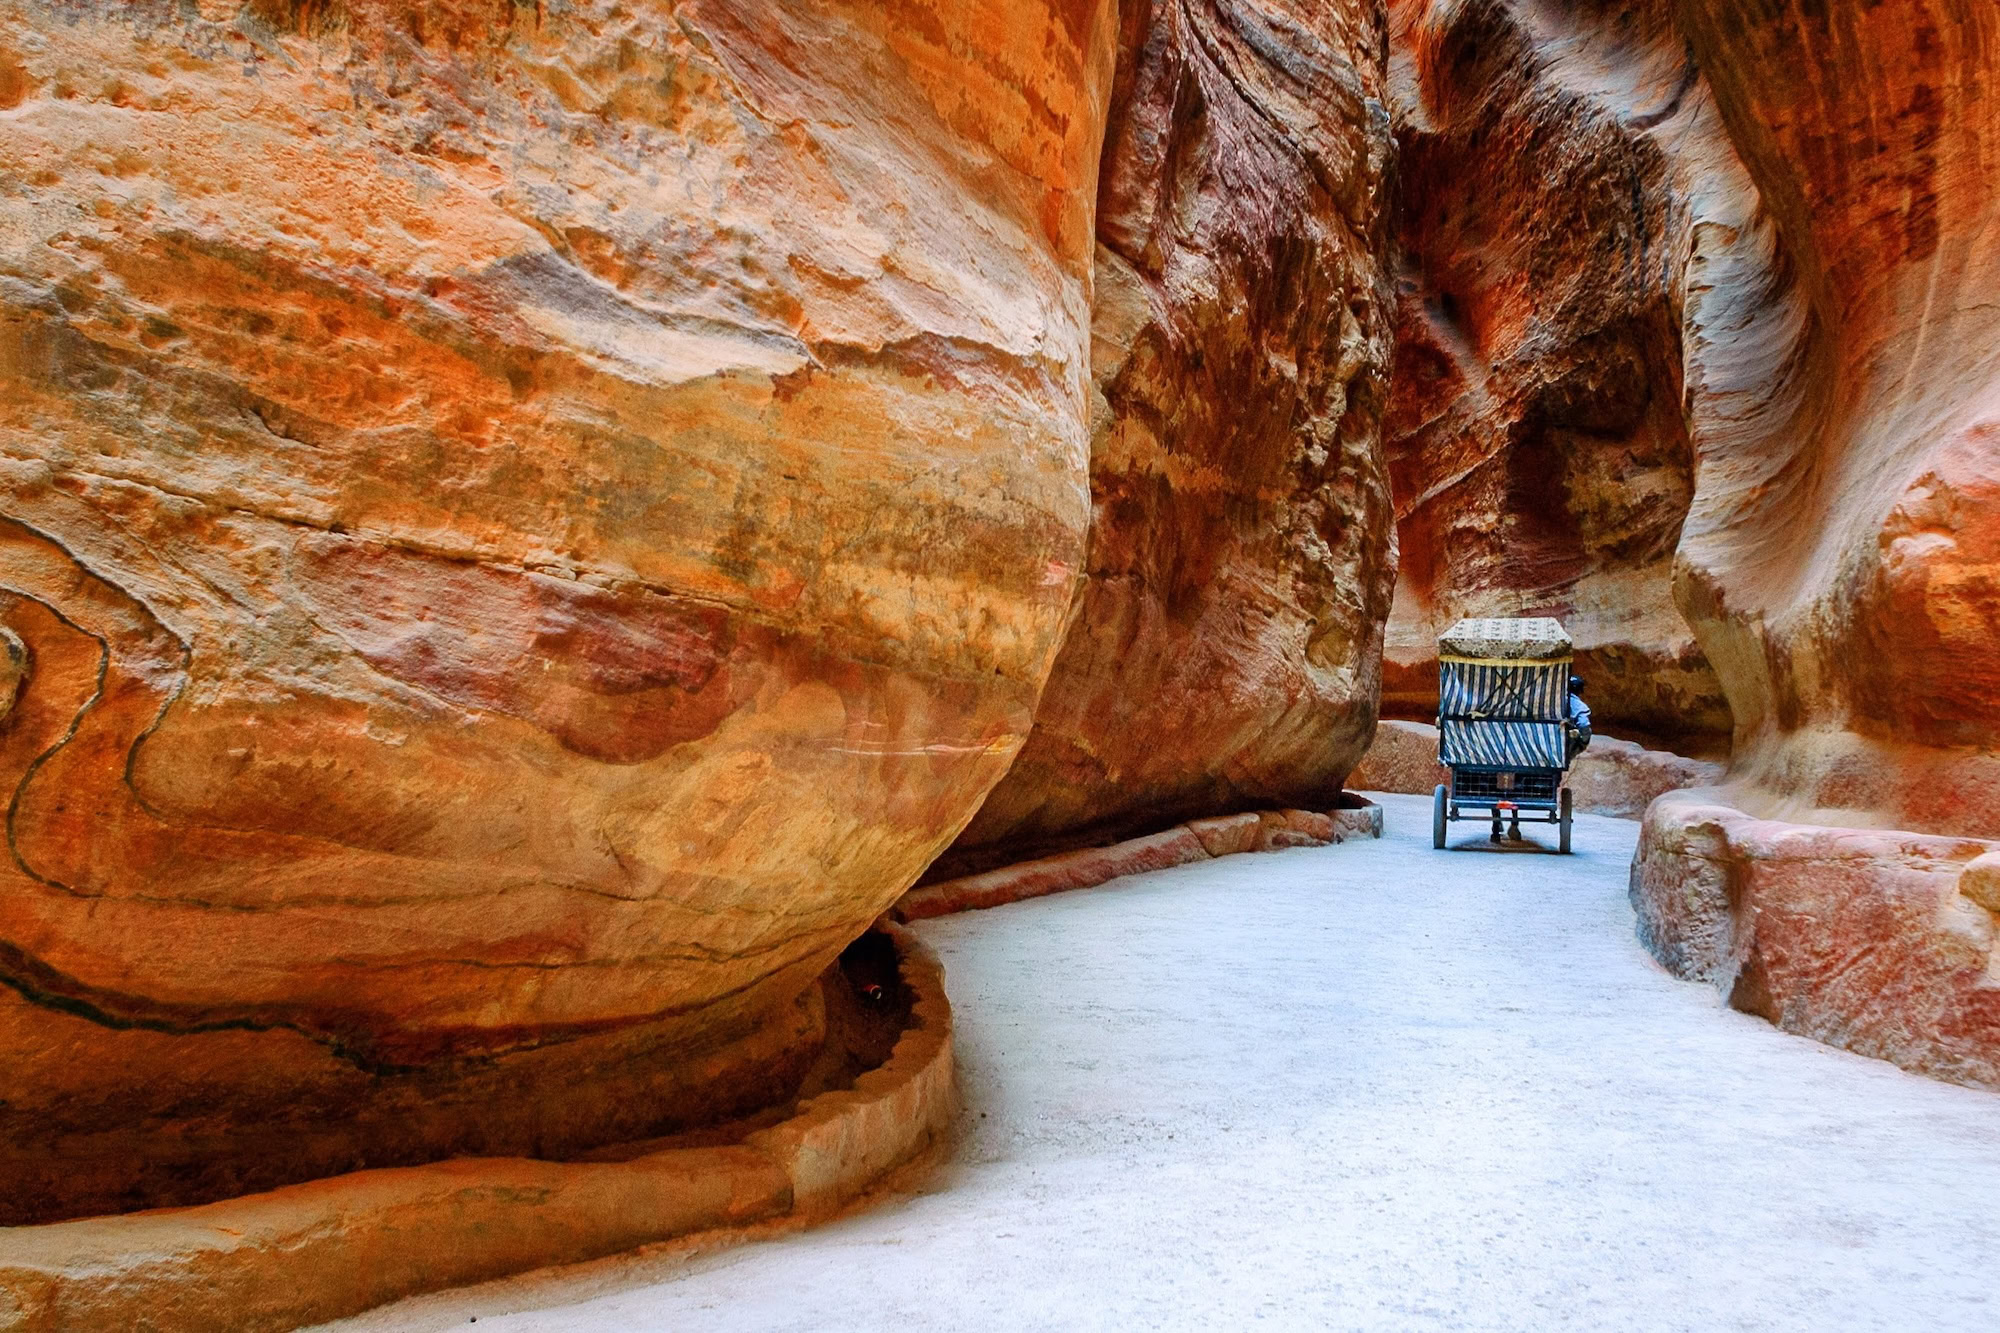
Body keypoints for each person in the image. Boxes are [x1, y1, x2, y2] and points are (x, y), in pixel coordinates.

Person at [1564, 674, 1592, 761]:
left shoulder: (1553, 702)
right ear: (1579, 690)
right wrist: (1583, 742)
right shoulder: (1579, 706)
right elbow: (1584, 725)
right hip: (1564, 747)